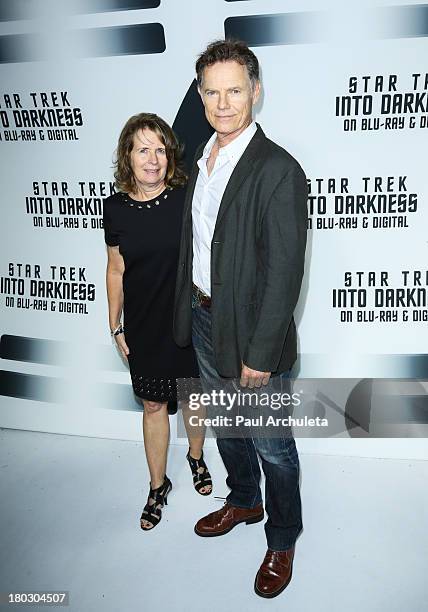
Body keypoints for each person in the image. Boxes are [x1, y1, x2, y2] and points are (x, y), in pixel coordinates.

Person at [173, 40, 308, 598]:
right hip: (205, 319)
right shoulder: (199, 158)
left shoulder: (278, 169)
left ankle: (281, 538)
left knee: (273, 442)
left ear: (256, 90)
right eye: (212, 91)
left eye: (235, 90)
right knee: (228, 423)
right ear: (200, 95)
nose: (223, 103)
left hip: (253, 332)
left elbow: (285, 273)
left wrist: (262, 351)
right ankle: (244, 500)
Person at [103, 113, 212, 531]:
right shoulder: (114, 209)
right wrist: (116, 324)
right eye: (142, 150)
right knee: (153, 405)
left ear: (170, 157)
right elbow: (115, 269)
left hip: (188, 319)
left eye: (160, 150)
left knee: (192, 397)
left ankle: (197, 458)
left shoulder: (186, 197)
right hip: (144, 324)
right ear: (127, 157)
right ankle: (157, 485)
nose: (152, 159)